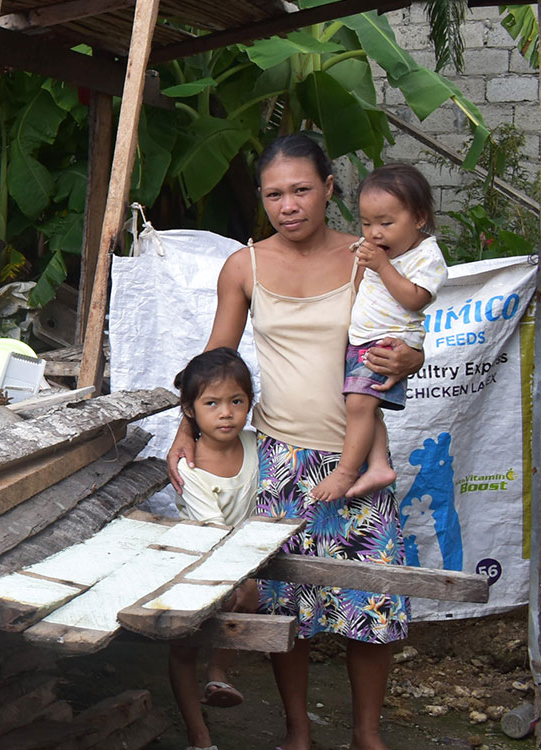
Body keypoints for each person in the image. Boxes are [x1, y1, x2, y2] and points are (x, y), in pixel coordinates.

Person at [165, 134, 426, 750]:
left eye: (302, 189)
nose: (289, 205)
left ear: (330, 188)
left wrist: (412, 359)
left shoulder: (368, 257)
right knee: (288, 608)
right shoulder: (245, 266)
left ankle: (367, 737)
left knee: (372, 608)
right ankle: (298, 734)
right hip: (280, 458)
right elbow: (216, 360)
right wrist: (184, 426)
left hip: (355, 459)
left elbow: (400, 337)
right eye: (275, 193)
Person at [309, 163, 449, 503]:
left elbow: (415, 299)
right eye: (367, 223)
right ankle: (377, 465)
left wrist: (383, 267)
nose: (375, 233)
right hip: (363, 340)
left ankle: (345, 471)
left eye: (386, 223)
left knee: (359, 405)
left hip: (387, 344)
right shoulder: (373, 252)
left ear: (418, 219)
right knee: (365, 408)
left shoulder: (426, 257)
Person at [162, 348, 262, 750]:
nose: (226, 413)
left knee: (247, 596)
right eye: (212, 403)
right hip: (195, 560)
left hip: (239, 560)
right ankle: (198, 735)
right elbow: (215, 532)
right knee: (185, 643)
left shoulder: (256, 446)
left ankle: (219, 671)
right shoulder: (190, 466)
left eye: (236, 402)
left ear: (250, 404)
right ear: (189, 410)